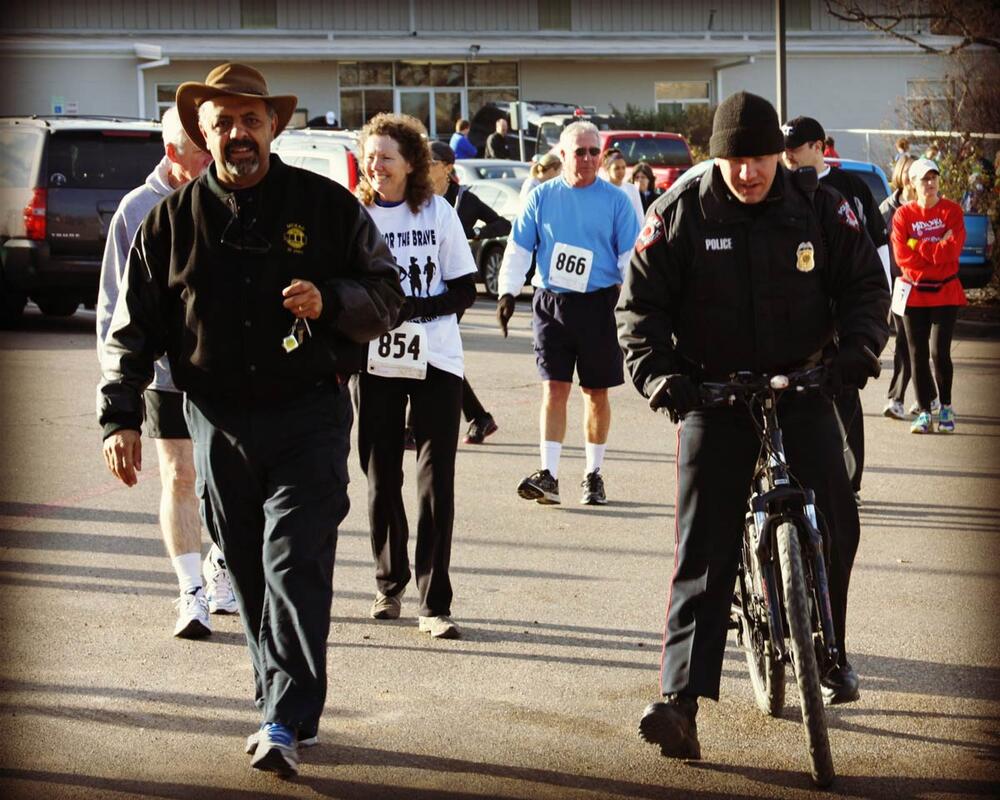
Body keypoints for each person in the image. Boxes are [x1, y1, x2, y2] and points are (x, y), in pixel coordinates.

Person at [98, 63, 403, 776]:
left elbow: (387, 295)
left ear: (274, 126)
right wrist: (121, 417)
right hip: (216, 421)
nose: (239, 134)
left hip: (310, 415)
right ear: (203, 136)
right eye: (223, 124)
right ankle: (285, 704)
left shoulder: (327, 207)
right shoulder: (168, 223)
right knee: (246, 570)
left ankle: (283, 717)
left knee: (294, 564)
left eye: (251, 121)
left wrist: (330, 301)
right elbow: (131, 328)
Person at [617, 91, 888, 760]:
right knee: (702, 546)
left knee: (838, 517)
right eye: (734, 161)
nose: (748, 173)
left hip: (803, 383)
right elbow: (640, 310)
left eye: (760, 159)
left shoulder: (820, 207)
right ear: (716, 159)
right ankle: (681, 702)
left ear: (780, 154)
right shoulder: (678, 211)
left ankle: (828, 650)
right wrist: (663, 378)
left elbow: (863, 287)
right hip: (713, 393)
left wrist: (856, 351)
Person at [96, 106, 234, 639]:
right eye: (200, 152)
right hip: (162, 376)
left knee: (224, 482)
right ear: (172, 153)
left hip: (222, 372)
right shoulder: (137, 210)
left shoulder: (228, 198)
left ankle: (220, 570)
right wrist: (115, 400)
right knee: (179, 475)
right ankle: (190, 592)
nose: (212, 159)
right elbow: (112, 309)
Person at [356, 114, 478, 640]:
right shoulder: (356, 216)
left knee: (435, 480)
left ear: (411, 163)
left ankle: (434, 601)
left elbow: (465, 288)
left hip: (436, 360)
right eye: (370, 156)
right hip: (376, 361)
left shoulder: (438, 213)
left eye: (386, 156)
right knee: (381, 474)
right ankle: (390, 583)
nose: (376, 165)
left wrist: (413, 308)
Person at [496, 121, 640, 506]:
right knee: (554, 388)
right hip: (552, 303)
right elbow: (520, 247)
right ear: (562, 155)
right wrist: (507, 291)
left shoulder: (617, 201)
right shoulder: (541, 197)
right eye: (581, 152)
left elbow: (630, 258)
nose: (590, 159)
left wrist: (634, 305)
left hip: (598, 304)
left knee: (595, 392)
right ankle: (550, 474)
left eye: (595, 151)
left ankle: (593, 474)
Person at [783, 115, 890, 506]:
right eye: (785, 151)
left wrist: (882, 302)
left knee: (844, 392)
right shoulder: (780, 188)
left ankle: (851, 482)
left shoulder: (849, 187)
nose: (789, 158)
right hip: (802, 312)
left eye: (795, 150)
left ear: (818, 147)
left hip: (843, 307)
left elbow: (878, 245)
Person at [429, 139, 511, 443]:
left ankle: (415, 428)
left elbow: (503, 223)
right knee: (430, 350)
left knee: (431, 348)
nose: (425, 166)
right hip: (427, 284)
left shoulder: (465, 200)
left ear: (448, 168)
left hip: (455, 287)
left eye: (431, 162)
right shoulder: (419, 197)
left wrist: (475, 233)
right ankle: (479, 417)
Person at [891, 157, 966, 434]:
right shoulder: (903, 216)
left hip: (946, 291)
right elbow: (902, 257)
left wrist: (918, 244)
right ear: (912, 183)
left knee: (939, 351)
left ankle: (945, 406)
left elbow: (952, 251)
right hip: (914, 294)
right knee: (917, 354)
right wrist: (933, 247)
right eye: (924, 178)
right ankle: (924, 412)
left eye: (934, 177)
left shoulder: (952, 212)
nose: (930, 183)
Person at [879, 155, 939, 420]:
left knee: (910, 344)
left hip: (921, 284)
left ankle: (903, 399)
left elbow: (935, 248)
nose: (912, 179)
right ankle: (925, 397)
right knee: (908, 344)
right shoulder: (888, 209)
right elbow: (881, 246)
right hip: (897, 284)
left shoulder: (925, 209)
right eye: (909, 172)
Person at [602, 148, 645, 226]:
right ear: (607, 169)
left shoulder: (632, 189)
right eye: (617, 168)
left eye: (623, 168)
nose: (621, 171)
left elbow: (640, 217)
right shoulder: (601, 190)